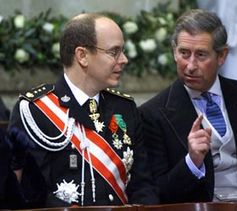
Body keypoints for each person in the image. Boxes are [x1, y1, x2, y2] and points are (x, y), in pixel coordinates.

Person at [7, 12, 159, 208]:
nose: (124, 59)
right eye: (114, 52)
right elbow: (29, 191)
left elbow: (143, 185)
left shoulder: (125, 108)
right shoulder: (35, 110)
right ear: (82, 56)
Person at [139, 9, 237, 203]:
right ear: (174, 53)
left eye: (201, 55)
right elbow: (158, 193)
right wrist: (192, 162)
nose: (190, 65)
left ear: (222, 56)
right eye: (184, 53)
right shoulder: (153, 113)